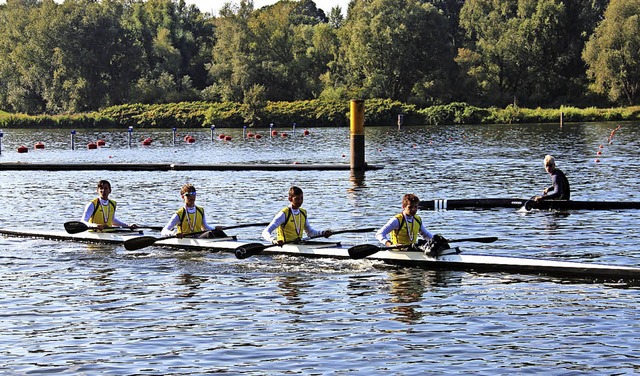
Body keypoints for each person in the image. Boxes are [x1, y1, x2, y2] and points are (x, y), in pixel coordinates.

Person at [375, 193, 447, 254]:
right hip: (397, 252)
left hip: (411, 251)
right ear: (404, 207)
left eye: (416, 207)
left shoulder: (417, 219)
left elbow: (426, 235)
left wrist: (438, 241)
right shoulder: (397, 220)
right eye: (410, 207)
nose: (414, 210)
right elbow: (379, 234)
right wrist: (390, 244)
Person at [262, 186, 332, 246]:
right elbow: (265, 232)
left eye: (301, 198)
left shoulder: (303, 212)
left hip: (298, 245)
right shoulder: (283, 214)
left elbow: (310, 232)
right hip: (284, 246)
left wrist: (323, 233)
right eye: (297, 199)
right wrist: (274, 240)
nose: (300, 201)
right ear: (290, 199)